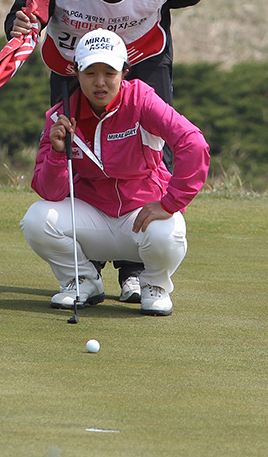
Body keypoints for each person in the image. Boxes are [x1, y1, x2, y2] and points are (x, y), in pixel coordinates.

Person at [5, 0, 209, 302]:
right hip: (73, 61)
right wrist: (23, 25)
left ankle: (137, 271)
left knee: (150, 148)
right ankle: (87, 270)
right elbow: (24, 11)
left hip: (142, 58)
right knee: (73, 150)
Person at [20, 29, 210, 317]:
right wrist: (58, 154)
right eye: (90, 72)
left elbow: (192, 143)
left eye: (109, 72)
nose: (100, 82)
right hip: (92, 219)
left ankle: (154, 285)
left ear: (124, 71)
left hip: (140, 218)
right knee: (37, 218)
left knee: (167, 229)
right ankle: (83, 280)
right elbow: (49, 192)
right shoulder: (59, 117)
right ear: (76, 73)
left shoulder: (142, 101)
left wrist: (171, 203)